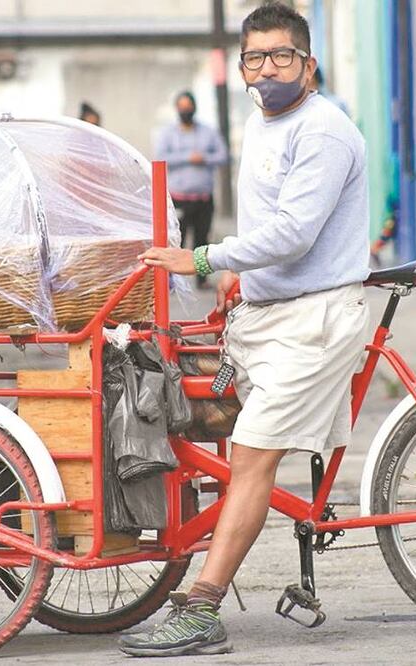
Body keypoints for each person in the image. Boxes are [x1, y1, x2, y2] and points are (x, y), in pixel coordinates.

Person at [125, 2, 370, 657]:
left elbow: (293, 234)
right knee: (200, 412)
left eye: (281, 56)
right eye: (255, 58)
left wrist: (204, 259)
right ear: (240, 68)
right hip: (267, 314)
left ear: (308, 64)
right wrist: (241, 280)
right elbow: (268, 227)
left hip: (316, 318)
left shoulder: (320, 130)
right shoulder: (262, 121)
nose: (268, 69)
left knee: (251, 457)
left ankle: (201, 608)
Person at [154, 91, 229, 286]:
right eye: (182, 107)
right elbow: (161, 157)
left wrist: (204, 158)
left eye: (189, 107)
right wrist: (188, 157)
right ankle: (170, 281)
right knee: (176, 241)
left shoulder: (208, 132)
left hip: (203, 198)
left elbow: (223, 155)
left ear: (194, 107)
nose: (186, 110)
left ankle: (201, 279)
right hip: (179, 198)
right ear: (177, 109)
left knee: (202, 240)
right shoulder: (168, 133)